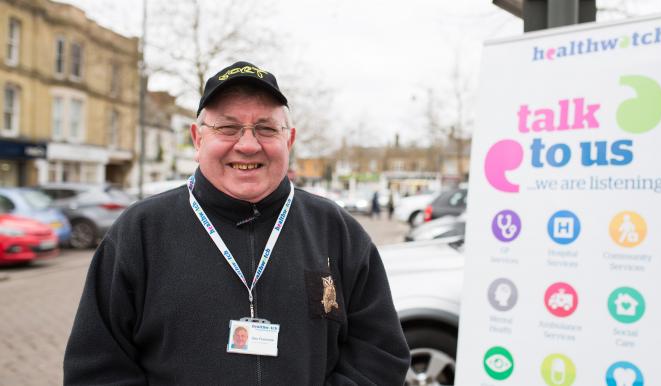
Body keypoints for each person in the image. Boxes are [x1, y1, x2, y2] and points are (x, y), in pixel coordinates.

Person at [64, 61, 410, 385]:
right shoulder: (139, 232)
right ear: (198, 140)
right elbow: (97, 366)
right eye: (228, 128)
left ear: (288, 140)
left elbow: (380, 352)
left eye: (266, 128)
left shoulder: (336, 230)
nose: (247, 145)